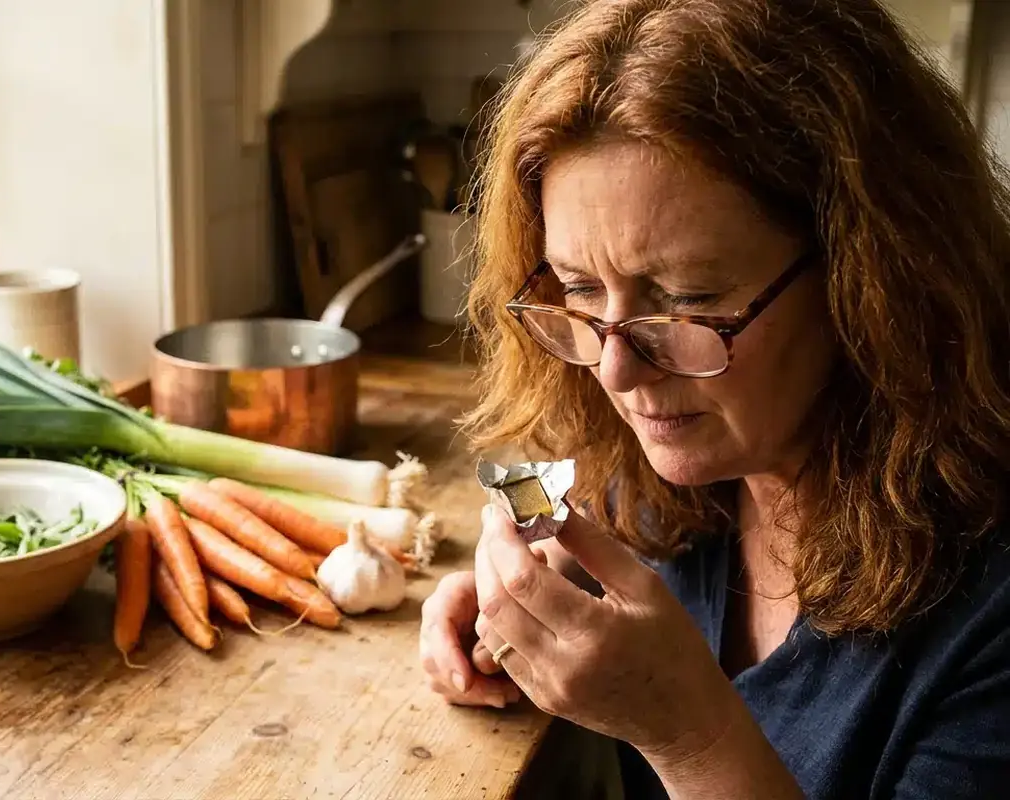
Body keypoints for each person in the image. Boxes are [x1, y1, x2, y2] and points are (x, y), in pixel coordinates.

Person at [417, 0, 1010, 797]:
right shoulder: (694, 454)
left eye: (688, 300)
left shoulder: (989, 607)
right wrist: (526, 595)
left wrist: (691, 737)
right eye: (582, 290)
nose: (618, 372)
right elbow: (598, 516)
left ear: (871, 277)